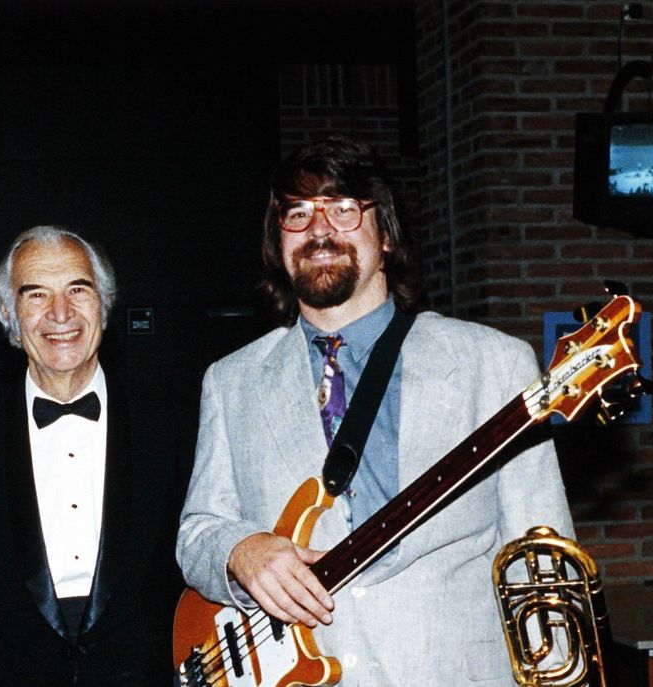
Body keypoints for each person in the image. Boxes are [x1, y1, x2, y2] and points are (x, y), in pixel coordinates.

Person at [176, 137, 574, 686]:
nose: (319, 230)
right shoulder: (231, 380)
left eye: (343, 209)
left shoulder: (495, 362)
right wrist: (240, 551)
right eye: (297, 213)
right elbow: (198, 531)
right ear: (278, 241)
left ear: (384, 235)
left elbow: (542, 562)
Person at [0, 226, 193, 686]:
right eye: (36, 294)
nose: (60, 314)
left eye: (77, 290)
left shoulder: (177, 426)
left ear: (104, 303)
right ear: (8, 314)